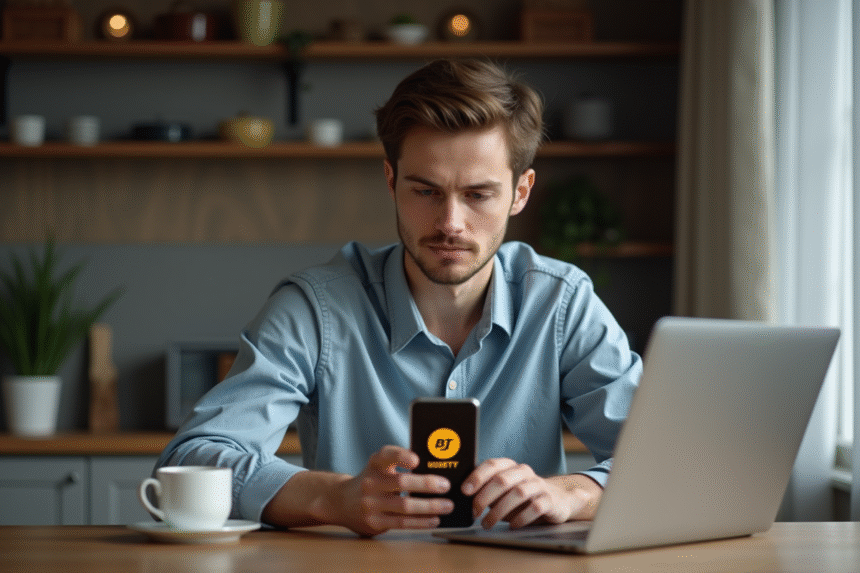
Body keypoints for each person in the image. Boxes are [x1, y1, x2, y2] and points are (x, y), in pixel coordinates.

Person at [156, 58, 641, 537]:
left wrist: (573, 494)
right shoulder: (315, 309)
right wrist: (334, 498)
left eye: (478, 195)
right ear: (391, 181)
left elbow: (675, 461)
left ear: (520, 192)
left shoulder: (562, 304)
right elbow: (193, 458)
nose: (451, 223)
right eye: (426, 192)